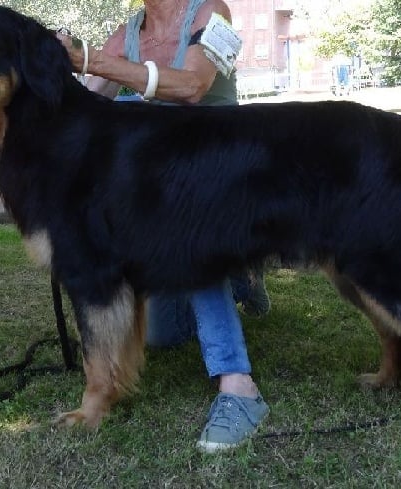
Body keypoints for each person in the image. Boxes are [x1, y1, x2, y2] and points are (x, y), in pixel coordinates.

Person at [57, 0, 270, 452]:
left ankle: (238, 386)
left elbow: (193, 86)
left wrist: (92, 58)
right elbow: (87, 98)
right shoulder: (128, 31)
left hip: (222, 172)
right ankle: (243, 278)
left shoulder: (213, 12)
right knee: (163, 335)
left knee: (189, 247)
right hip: (156, 179)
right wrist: (49, 66)